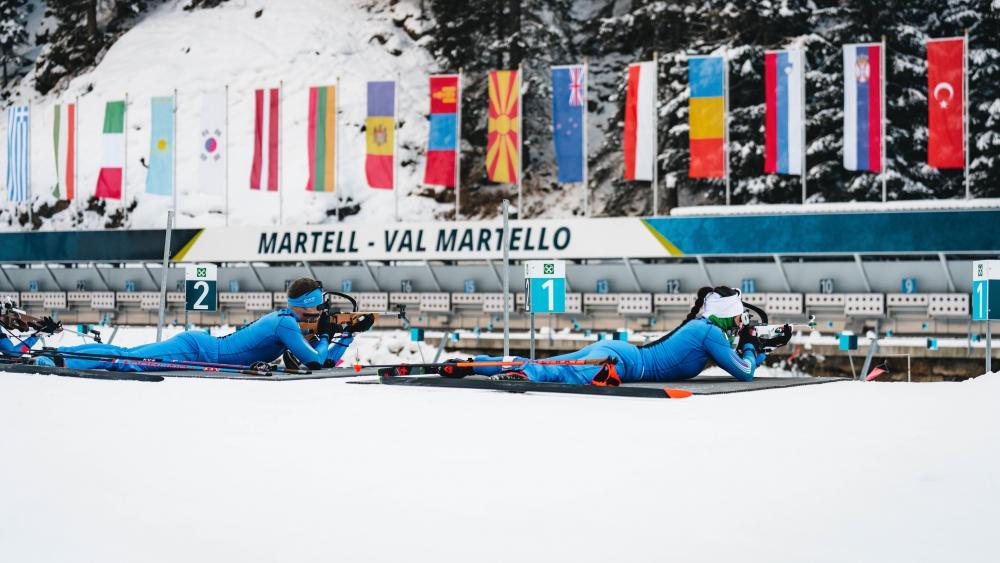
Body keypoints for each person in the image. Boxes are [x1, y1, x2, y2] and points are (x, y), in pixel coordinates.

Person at [459, 286, 791, 384]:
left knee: (548, 364)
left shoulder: (706, 331)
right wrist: (752, 347)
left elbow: (736, 361)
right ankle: (512, 372)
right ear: (724, 315)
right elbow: (744, 372)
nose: (740, 322)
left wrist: (757, 346)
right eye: (737, 316)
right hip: (621, 361)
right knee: (552, 370)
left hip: (623, 356)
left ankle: (475, 365)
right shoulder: (709, 333)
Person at [32, 278, 372, 371]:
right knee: (125, 359)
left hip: (203, 350)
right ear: (306, 309)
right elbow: (316, 360)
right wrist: (329, 335)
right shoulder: (286, 325)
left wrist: (342, 335)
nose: (318, 318)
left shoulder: (289, 321)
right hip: (196, 350)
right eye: (316, 313)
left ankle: (63, 355)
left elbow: (323, 362)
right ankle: (60, 357)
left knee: (126, 356)